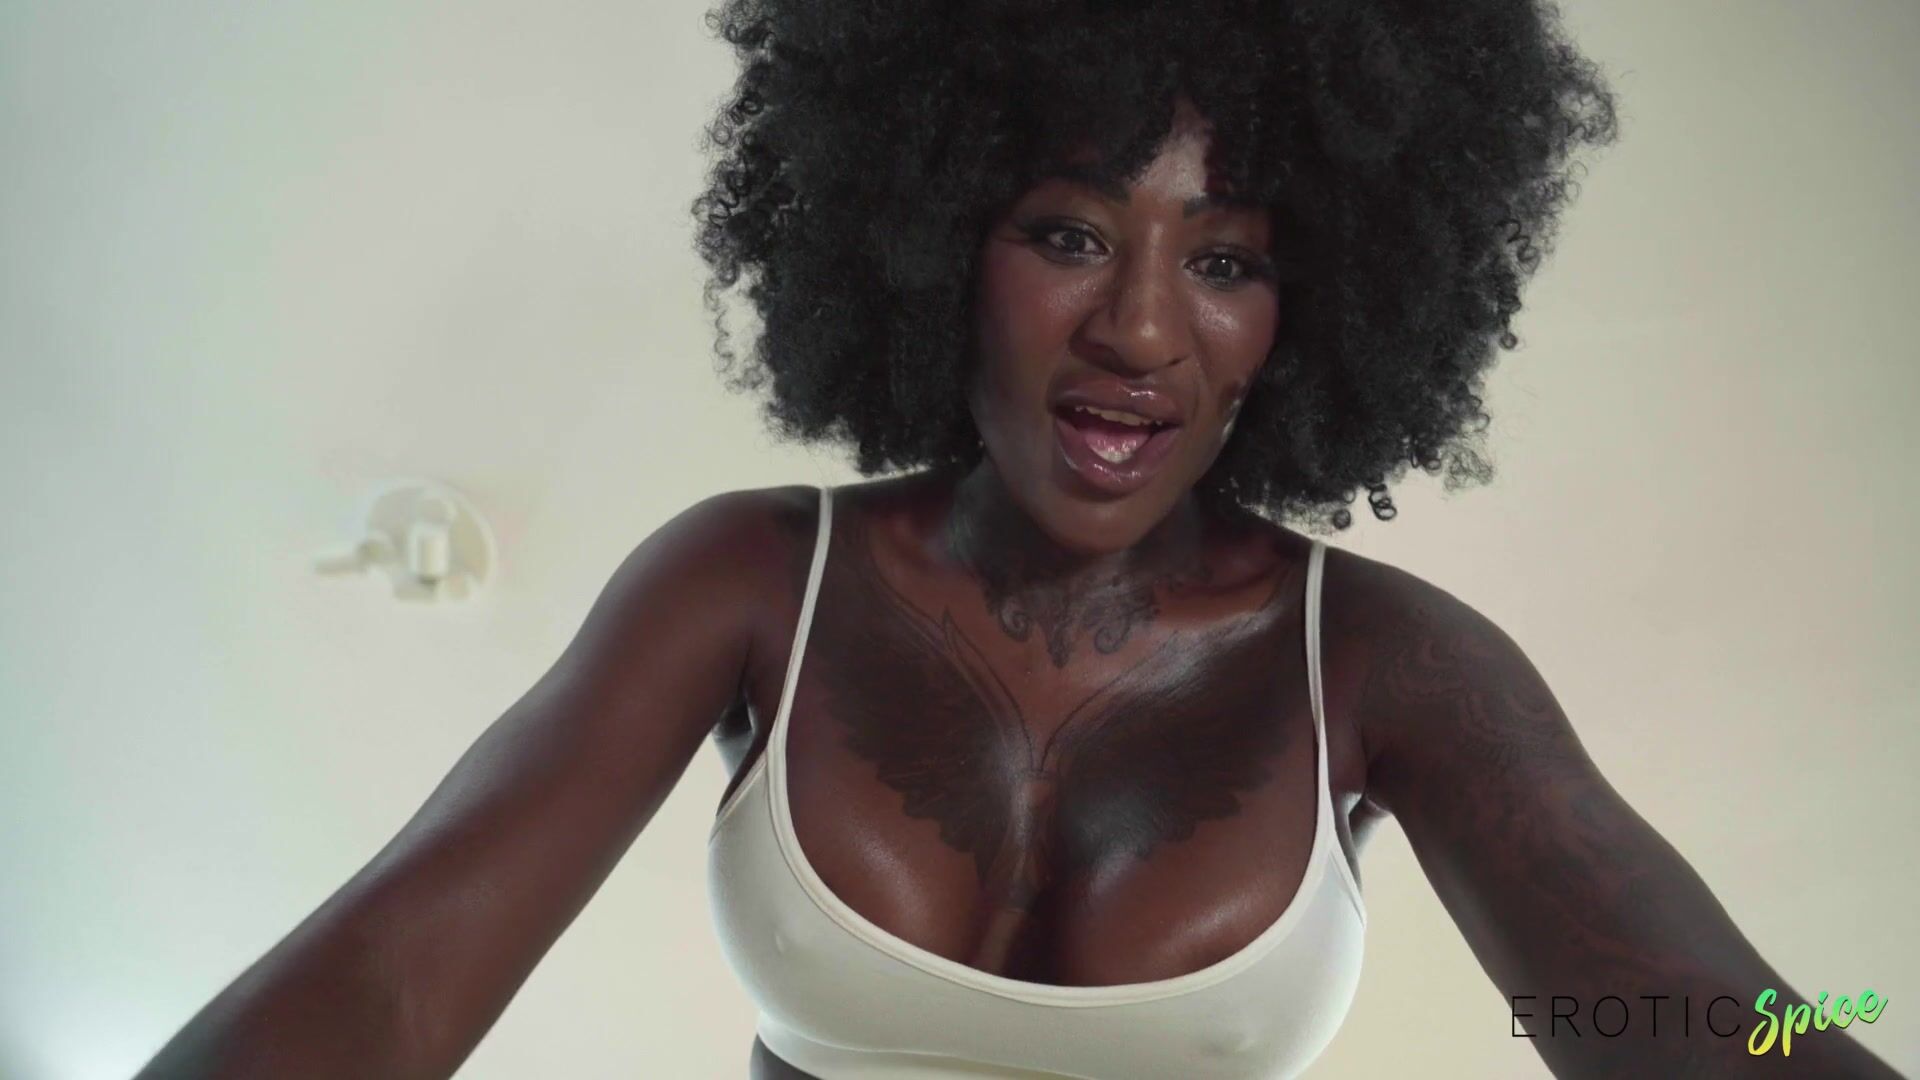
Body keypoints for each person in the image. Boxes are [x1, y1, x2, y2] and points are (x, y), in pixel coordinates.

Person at [137, 0, 1904, 1077]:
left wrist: (1843, 1014)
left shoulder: (1390, 666)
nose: (1139, 330)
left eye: (1225, 260)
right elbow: (384, 983)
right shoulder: (749, 581)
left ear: (1313, 310)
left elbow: (1711, 1023)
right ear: (928, 234)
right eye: (1068, 234)